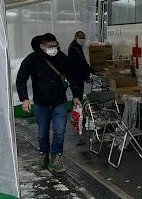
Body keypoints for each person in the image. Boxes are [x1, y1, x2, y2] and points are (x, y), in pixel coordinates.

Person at [16, 33, 82, 173]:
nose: (54, 48)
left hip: (59, 102)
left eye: (55, 45)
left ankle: (56, 159)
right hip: (41, 103)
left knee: (59, 131)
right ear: (42, 46)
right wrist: (25, 99)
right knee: (42, 133)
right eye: (50, 46)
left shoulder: (62, 58)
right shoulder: (32, 59)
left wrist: (76, 96)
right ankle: (43, 156)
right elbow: (21, 78)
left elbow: (73, 77)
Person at [67, 31, 96, 101]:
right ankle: (77, 111)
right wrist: (91, 72)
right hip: (75, 77)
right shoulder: (74, 48)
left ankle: (78, 111)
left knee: (78, 97)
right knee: (77, 97)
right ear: (76, 37)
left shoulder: (77, 46)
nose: (82, 39)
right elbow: (82, 63)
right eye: (80, 37)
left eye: (83, 38)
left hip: (77, 77)